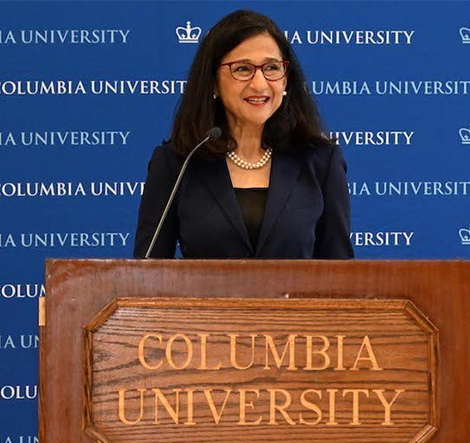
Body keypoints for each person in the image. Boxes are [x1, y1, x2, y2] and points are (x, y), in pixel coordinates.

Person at [133, 10, 354, 259]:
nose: (259, 84)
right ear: (213, 82)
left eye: (271, 67)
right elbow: (146, 275)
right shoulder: (177, 163)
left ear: (286, 80)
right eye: (242, 69)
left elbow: (341, 276)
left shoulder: (321, 162)